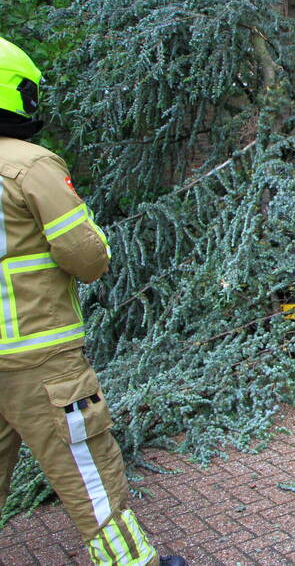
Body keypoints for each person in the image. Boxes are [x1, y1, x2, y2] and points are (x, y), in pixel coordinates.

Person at [0, 36, 186, 566]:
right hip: (40, 357)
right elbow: (86, 256)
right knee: (89, 469)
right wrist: (99, 242)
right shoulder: (29, 167)